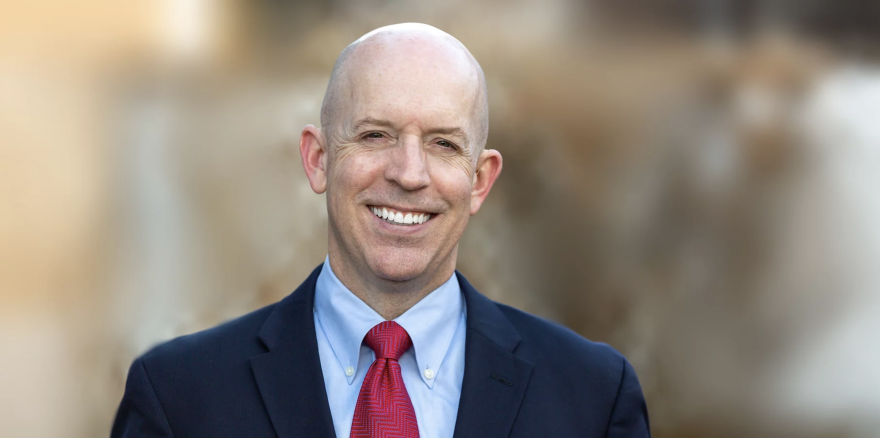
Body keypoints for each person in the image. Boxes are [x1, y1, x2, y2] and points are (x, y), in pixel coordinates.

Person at [111, 23, 650, 438]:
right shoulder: (179, 398)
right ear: (318, 159)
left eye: (443, 143)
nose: (409, 174)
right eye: (375, 135)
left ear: (480, 180)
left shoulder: (593, 398)